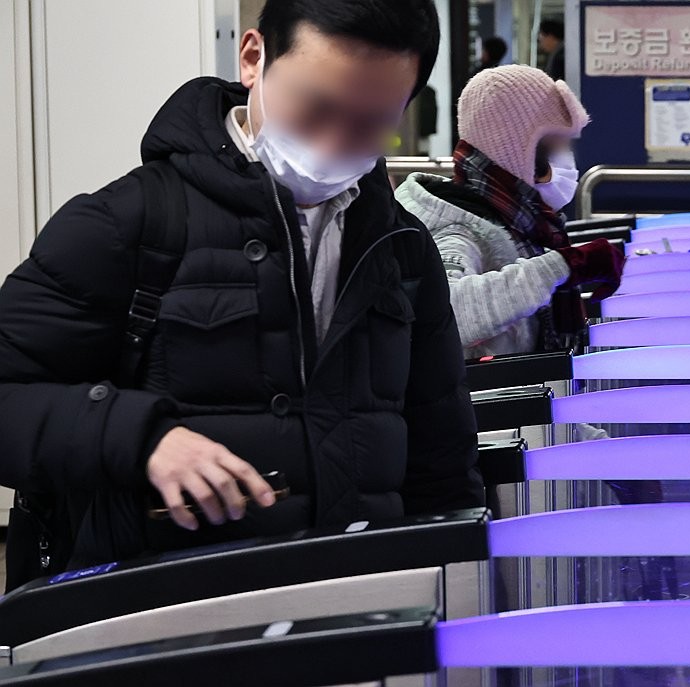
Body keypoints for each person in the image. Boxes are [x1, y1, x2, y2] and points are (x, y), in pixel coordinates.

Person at [0, 0, 484, 587]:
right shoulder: (131, 222)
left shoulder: (401, 249)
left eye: (371, 123)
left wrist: (452, 588)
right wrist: (139, 439)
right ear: (254, 58)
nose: (334, 143)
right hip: (163, 611)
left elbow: (441, 460)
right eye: (316, 107)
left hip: (355, 607)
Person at [395, 65, 623, 357]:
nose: (566, 161)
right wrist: (563, 266)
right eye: (554, 146)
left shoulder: (519, 219)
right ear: (517, 149)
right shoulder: (457, 229)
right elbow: (447, 312)